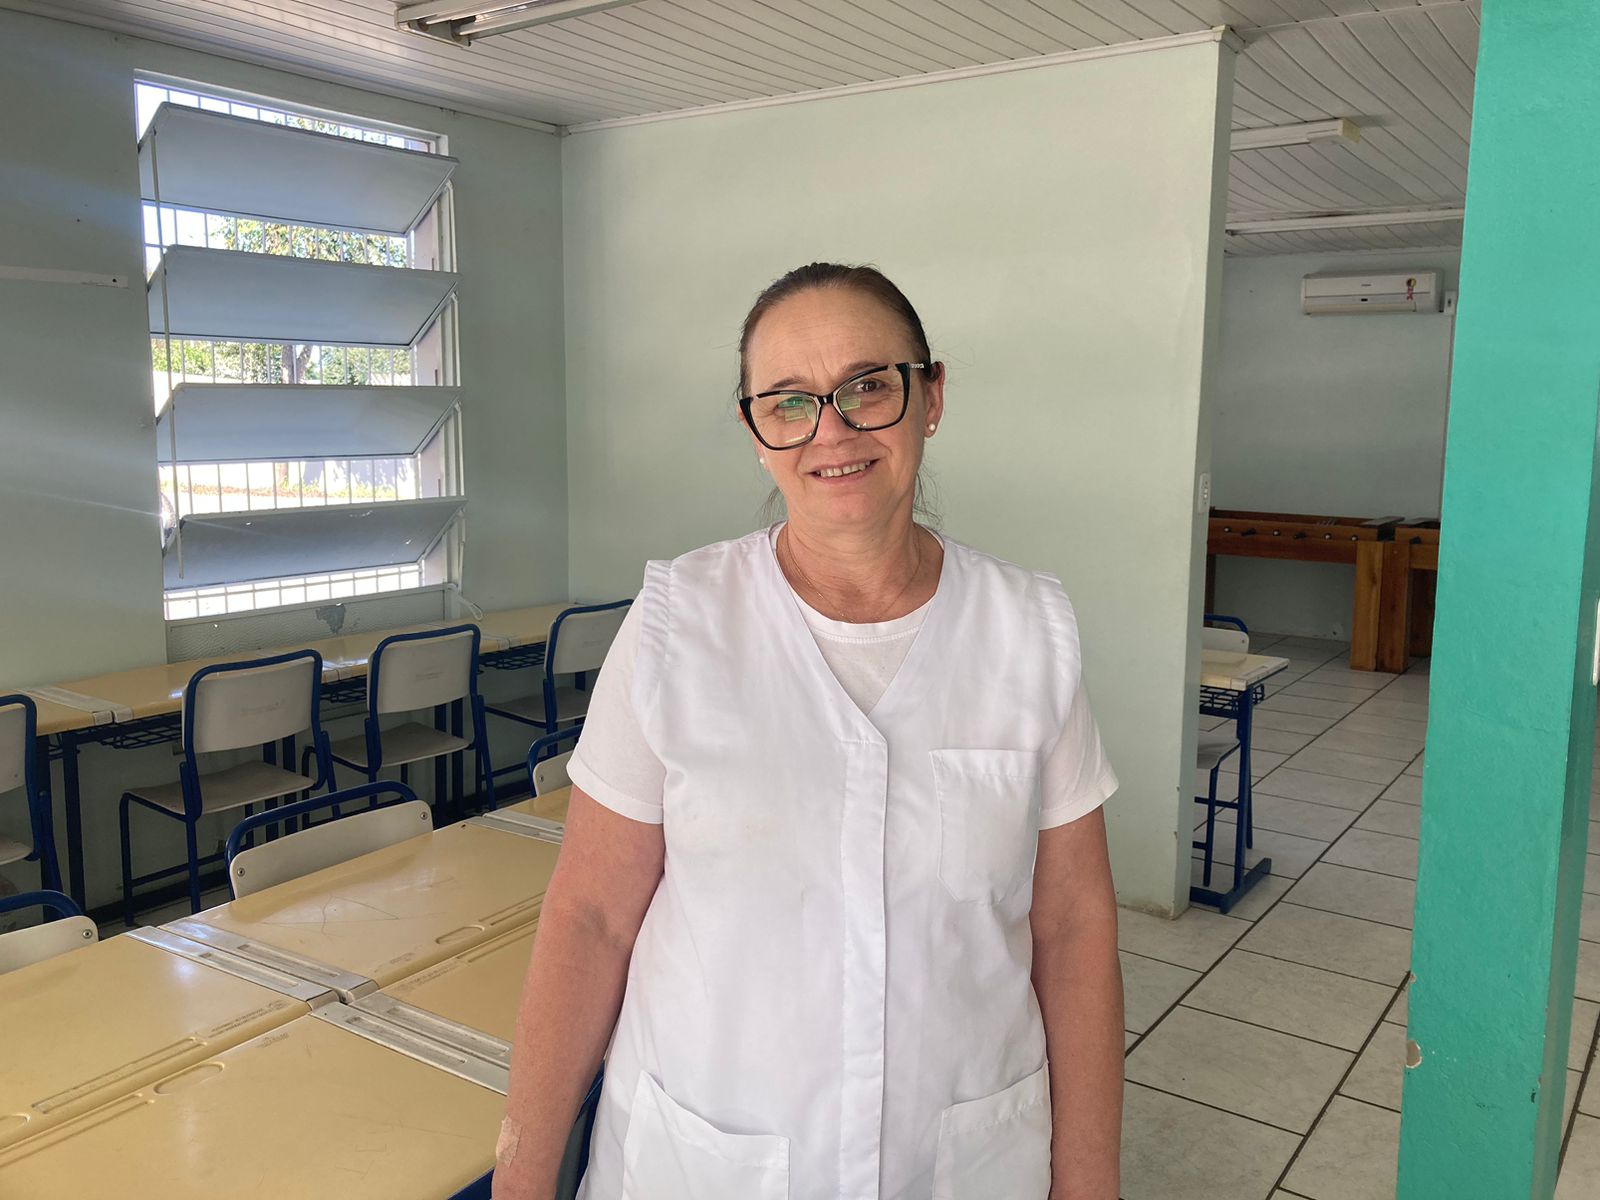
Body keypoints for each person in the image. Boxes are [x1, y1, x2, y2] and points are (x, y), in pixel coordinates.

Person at [495, 263, 1123, 1200]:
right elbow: (589, 917)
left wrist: (1090, 1181)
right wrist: (521, 1180)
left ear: (930, 397)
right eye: (789, 402)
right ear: (756, 432)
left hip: (959, 1163)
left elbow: (1072, 927)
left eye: (868, 386)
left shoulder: (1028, 629)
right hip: (705, 1161)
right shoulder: (675, 624)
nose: (831, 429)